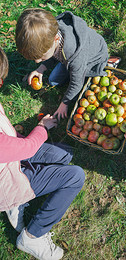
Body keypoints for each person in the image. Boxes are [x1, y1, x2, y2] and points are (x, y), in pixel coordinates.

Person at [0, 47, 85, 259]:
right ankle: (33, 236)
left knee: (64, 154)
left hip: (10, 159)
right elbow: (28, 148)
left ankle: (21, 195)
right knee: (75, 176)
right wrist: (42, 127)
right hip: (7, 180)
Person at [15, 8, 110, 121]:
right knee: (53, 80)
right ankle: (64, 66)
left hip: (92, 61)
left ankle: (109, 63)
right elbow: (53, 53)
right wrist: (41, 68)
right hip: (67, 58)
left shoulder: (76, 56)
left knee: (80, 94)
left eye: (41, 57)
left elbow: (76, 83)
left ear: (56, 39)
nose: (37, 61)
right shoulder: (50, 33)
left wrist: (64, 103)